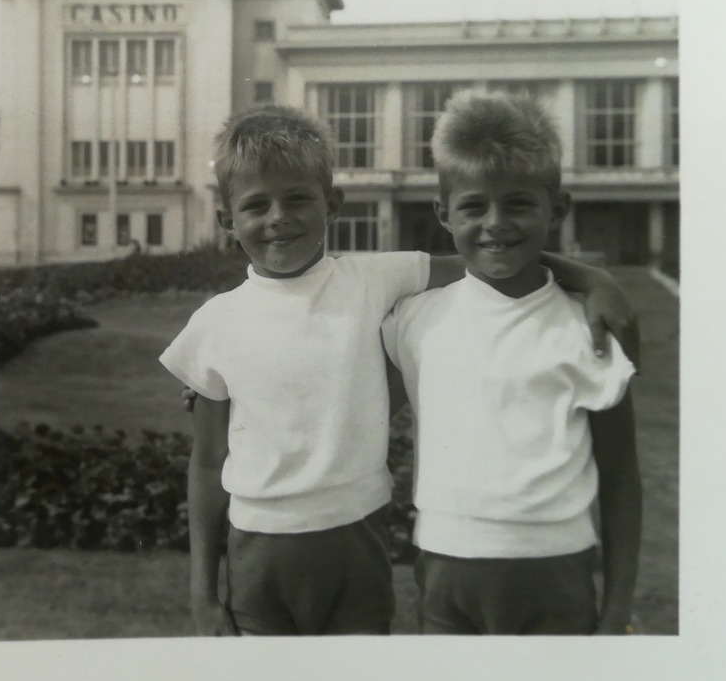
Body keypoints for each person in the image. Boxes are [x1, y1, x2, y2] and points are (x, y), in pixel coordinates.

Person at [160, 105, 636, 637]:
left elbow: (484, 258)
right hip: (256, 552)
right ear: (227, 220)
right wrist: (202, 595)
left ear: (331, 203)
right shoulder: (216, 322)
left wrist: (593, 279)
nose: (279, 217)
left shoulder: (377, 279)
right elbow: (207, 464)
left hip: (359, 540)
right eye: (256, 205)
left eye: (297, 198)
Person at [381, 90, 641, 634]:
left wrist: (616, 611)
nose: (496, 223)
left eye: (519, 203)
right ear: (443, 214)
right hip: (445, 570)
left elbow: (621, 479)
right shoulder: (413, 320)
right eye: (474, 206)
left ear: (558, 209)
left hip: (557, 571)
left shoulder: (589, 326)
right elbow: (340, 399)